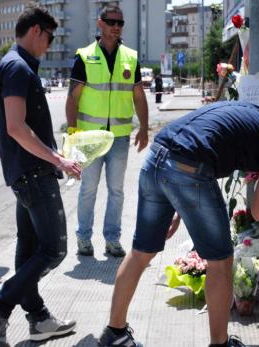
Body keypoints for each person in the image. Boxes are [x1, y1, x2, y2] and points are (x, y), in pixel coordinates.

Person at [98, 95, 259, 347]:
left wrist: (178, 208)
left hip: (156, 158)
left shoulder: (253, 114)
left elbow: (200, 142)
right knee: (221, 262)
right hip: (188, 169)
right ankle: (220, 344)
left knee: (140, 252)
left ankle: (114, 335)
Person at [0, 4, 81, 346]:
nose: (48, 45)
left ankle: (38, 319)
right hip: (34, 174)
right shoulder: (18, 67)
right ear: (36, 31)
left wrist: (56, 154)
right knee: (53, 249)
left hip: (28, 172)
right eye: (49, 38)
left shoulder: (13, 64)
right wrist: (56, 160)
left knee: (29, 248)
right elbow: (16, 128)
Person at [65, 5, 148, 258]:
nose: (116, 27)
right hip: (89, 137)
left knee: (117, 191)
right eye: (111, 22)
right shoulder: (85, 56)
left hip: (119, 137)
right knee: (88, 189)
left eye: (120, 23)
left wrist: (144, 128)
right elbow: (73, 98)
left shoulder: (130, 57)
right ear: (99, 24)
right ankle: (83, 238)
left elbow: (138, 95)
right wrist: (72, 132)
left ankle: (112, 239)